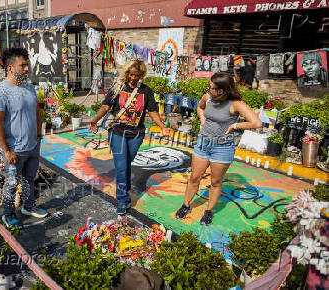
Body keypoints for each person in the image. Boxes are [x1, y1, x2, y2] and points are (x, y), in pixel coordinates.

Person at [175, 72, 262, 225]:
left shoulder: (236, 104)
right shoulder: (207, 97)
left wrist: (235, 125)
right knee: (195, 177)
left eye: (212, 88)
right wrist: (202, 119)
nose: (209, 90)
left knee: (215, 181)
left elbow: (256, 123)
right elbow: (200, 108)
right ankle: (185, 205)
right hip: (203, 143)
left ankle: (208, 211)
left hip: (222, 147)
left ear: (221, 90)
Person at [89, 59, 170, 215]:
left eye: (137, 75)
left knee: (126, 164)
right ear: (126, 73)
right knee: (121, 166)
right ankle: (122, 200)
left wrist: (162, 126)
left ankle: (123, 188)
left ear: (141, 75)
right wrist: (95, 120)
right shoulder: (118, 87)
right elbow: (106, 106)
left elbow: (152, 112)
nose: (133, 78)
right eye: (131, 74)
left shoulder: (146, 91)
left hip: (136, 134)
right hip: (117, 132)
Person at [0, 47, 48, 227]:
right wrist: (6, 150)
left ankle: (28, 207)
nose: (27, 68)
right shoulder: (0, 92)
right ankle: (8, 213)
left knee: (30, 180)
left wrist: (38, 136)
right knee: (12, 184)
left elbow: (37, 113)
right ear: (10, 68)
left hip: (32, 146)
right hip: (14, 151)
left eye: (26, 64)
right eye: (22, 65)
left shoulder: (29, 88)